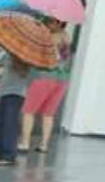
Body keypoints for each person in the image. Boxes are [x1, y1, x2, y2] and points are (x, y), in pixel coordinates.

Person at [21, 19, 71, 154]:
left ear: (59, 23)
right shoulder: (66, 37)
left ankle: (25, 143)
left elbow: (39, 55)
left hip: (44, 77)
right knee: (48, 114)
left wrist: (38, 31)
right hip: (62, 79)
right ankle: (44, 145)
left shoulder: (51, 38)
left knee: (29, 111)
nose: (48, 24)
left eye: (50, 22)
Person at [0, 55, 33, 166]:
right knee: (2, 123)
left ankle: (9, 155)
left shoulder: (23, 57)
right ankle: (1, 153)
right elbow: (0, 74)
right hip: (4, 91)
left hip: (15, 93)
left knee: (9, 124)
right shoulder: (7, 55)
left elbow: (24, 73)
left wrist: (14, 62)